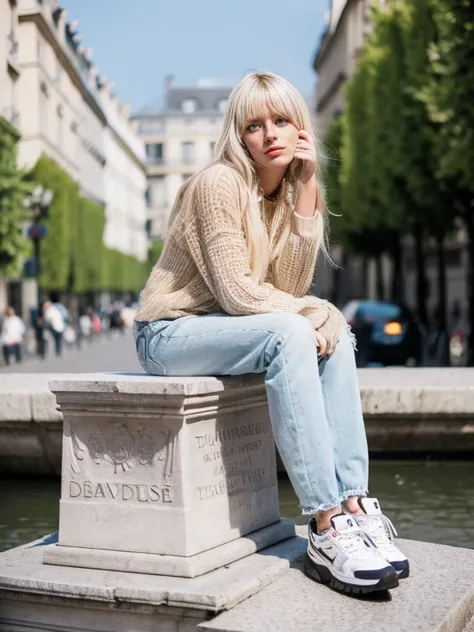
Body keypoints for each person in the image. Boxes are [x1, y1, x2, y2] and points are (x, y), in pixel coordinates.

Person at [133, 72, 409, 595]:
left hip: (224, 329)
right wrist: (317, 309)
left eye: (281, 120)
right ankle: (325, 525)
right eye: (254, 125)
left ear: (300, 126)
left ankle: (356, 505)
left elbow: (284, 287)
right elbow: (240, 293)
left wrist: (306, 189)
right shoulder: (219, 184)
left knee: (333, 332)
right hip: (169, 335)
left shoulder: (285, 192)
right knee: (298, 329)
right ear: (238, 135)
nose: (270, 134)